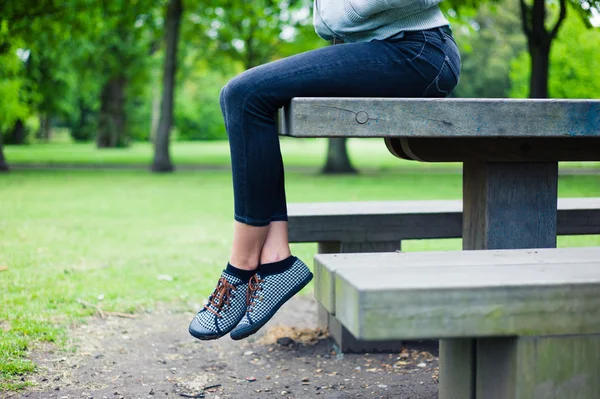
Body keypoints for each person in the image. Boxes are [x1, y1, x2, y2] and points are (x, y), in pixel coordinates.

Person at [189, 0, 461, 341]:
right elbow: (328, 23)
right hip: (388, 48)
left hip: (420, 51)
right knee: (244, 97)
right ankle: (275, 260)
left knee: (244, 94)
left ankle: (241, 267)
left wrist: (344, 9)